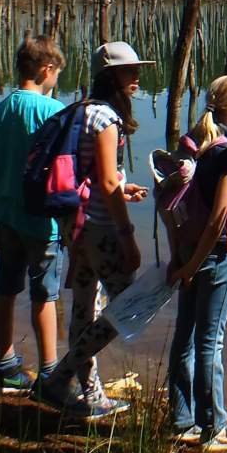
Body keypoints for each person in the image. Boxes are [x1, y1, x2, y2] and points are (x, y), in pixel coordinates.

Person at [32, 41, 152, 419]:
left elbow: (96, 175)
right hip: (101, 229)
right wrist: (127, 234)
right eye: (129, 70)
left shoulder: (81, 110)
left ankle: (90, 394)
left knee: (84, 307)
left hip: (75, 225)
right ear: (110, 75)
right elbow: (106, 184)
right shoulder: (106, 119)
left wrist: (120, 184)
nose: (136, 77)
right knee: (128, 307)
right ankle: (61, 377)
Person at [165, 76, 227, 452]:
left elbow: (171, 200)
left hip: (189, 250)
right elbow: (220, 217)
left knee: (185, 334)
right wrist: (193, 265)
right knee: (211, 340)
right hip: (218, 254)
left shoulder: (190, 142)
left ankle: (181, 418)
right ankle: (215, 427)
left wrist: (181, 258)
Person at [0, 35, 66, 392]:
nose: (56, 79)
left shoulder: (0, 111)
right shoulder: (53, 112)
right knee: (45, 296)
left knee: (5, 290)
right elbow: (65, 172)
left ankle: (6, 365)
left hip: (7, 217)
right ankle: (49, 373)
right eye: (57, 73)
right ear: (47, 70)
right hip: (43, 223)